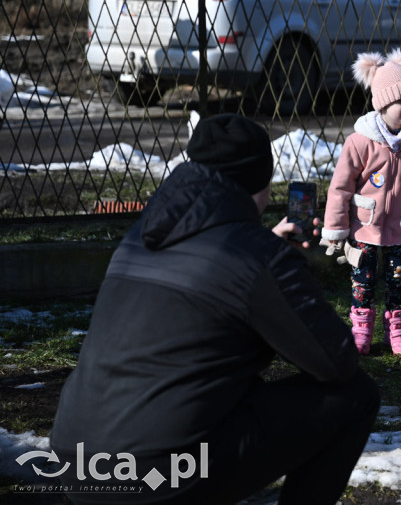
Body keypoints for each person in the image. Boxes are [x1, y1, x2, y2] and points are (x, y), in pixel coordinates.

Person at [49, 113, 380, 504]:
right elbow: (335, 360)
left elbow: (214, 269)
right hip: (155, 475)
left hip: (75, 461)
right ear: (259, 184)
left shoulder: (142, 235)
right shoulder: (258, 257)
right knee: (356, 395)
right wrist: (282, 267)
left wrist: (264, 249)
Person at [322, 49, 401, 357]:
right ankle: (361, 329)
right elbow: (340, 188)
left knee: (398, 280)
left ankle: (398, 330)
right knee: (363, 281)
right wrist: (336, 227)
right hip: (364, 228)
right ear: (382, 103)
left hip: (400, 228)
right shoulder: (359, 142)